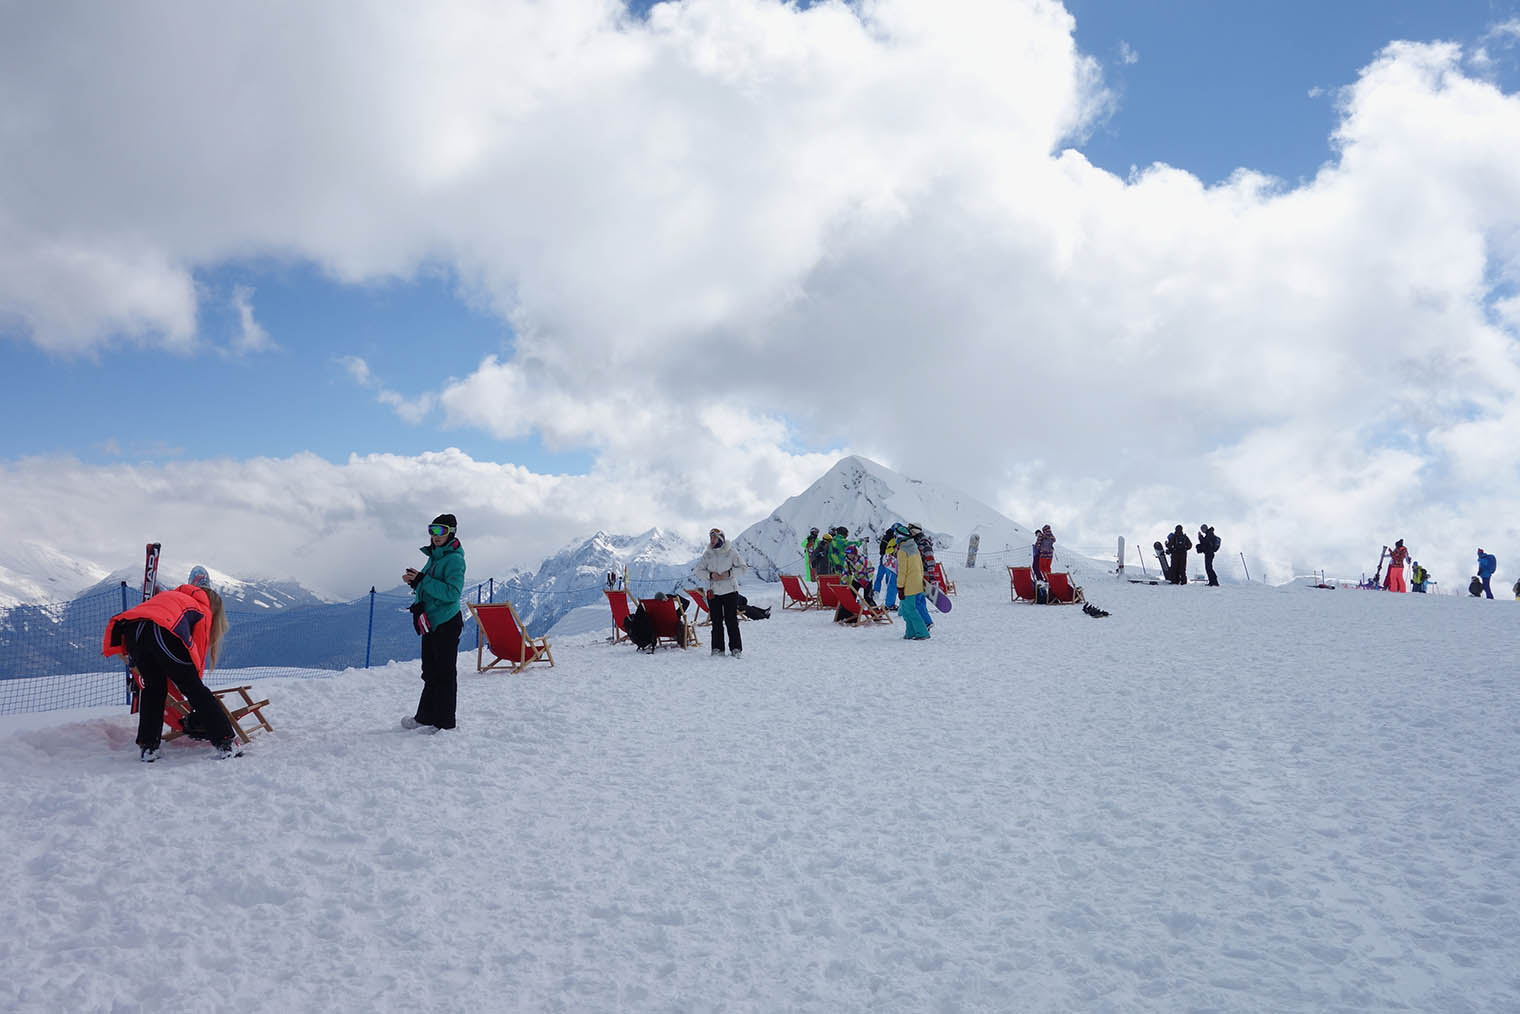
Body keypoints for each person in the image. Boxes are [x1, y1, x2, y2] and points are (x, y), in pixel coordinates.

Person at [102, 574, 234, 761]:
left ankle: (149, 747)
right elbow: (197, 649)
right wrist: (194, 684)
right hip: (162, 630)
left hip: (132, 630)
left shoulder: (174, 597)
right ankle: (225, 742)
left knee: (153, 689)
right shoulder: (202, 608)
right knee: (194, 689)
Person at [402, 514, 466, 732]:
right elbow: (430, 588)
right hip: (430, 620)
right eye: (432, 530)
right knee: (430, 671)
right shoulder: (435, 557)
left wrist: (422, 580)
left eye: (440, 531)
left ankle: (445, 722)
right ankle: (425, 717)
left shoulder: (455, 559)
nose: (434, 535)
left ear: (451, 532)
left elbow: (452, 593)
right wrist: (416, 584)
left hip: (446, 622)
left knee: (445, 673)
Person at [699, 527, 748, 657]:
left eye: (714, 537)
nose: (712, 540)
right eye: (710, 537)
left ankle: (736, 648)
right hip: (713, 592)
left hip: (730, 591)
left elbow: (743, 568)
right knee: (716, 621)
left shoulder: (731, 552)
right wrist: (710, 575)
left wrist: (729, 573)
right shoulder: (707, 554)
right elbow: (698, 571)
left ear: (720, 538)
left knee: (731, 620)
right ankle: (717, 648)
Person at [895, 531, 931, 640]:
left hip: (908, 585)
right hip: (917, 582)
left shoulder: (902, 551)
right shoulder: (914, 548)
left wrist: (900, 587)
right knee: (906, 610)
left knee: (910, 609)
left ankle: (922, 632)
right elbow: (920, 566)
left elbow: (902, 571)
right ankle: (910, 632)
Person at [874, 529, 900, 610]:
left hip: (884, 560)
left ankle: (876, 592)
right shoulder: (894, 540)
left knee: (880, 577)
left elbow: (881, 550)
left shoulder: (885, 538)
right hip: (891, 562)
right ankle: (889, 603)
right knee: (891, 582)